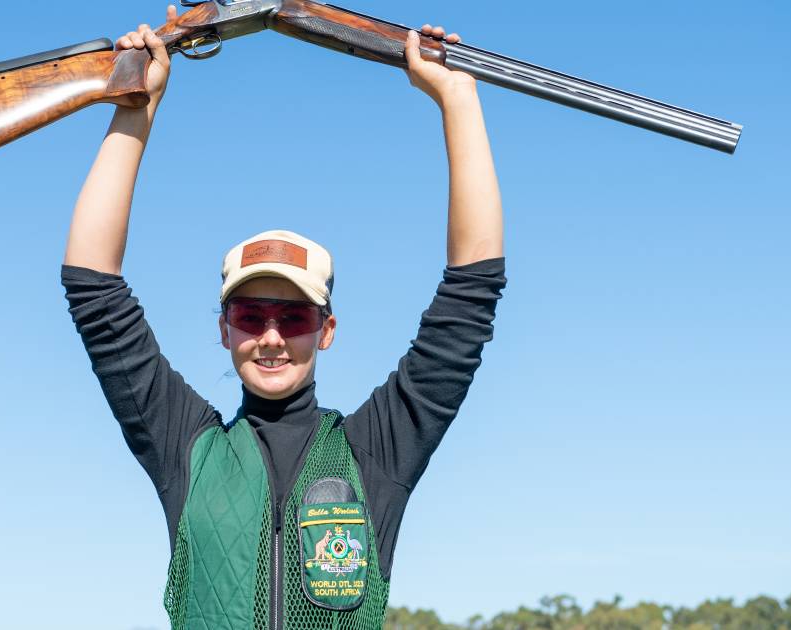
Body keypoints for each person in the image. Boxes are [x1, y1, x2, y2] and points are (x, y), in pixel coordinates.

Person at [61, 7, 506, 629]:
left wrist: (458, 99)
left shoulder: (374, 453)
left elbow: (470, 298)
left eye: (294, 317)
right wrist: (135, 108)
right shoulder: (186, 449)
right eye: (250, 313)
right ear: (224, 328)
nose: (270, 337)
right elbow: (93, 291)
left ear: (325, 329)